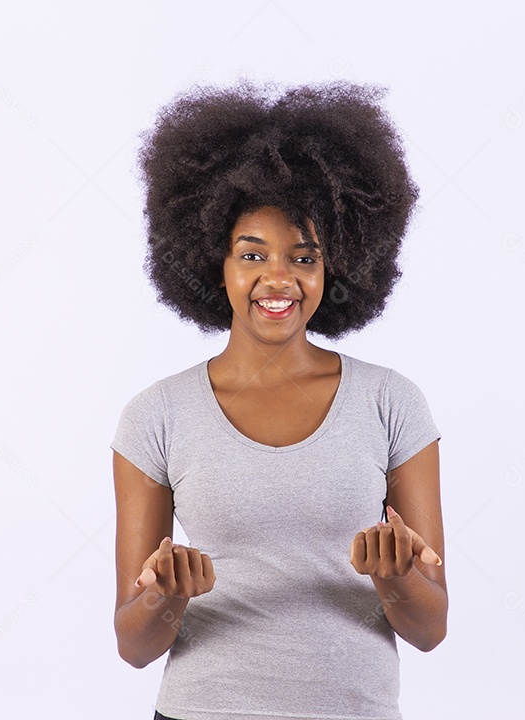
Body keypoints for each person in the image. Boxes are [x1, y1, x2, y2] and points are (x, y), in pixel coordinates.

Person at [111, 80, 446, 720]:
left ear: (336, 268)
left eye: (304, 255)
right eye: (252, 253)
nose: (278, 278)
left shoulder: (392, 403)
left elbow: (431, 628)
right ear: (216, 262)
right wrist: (166, 596)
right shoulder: (155, 417)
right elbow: (133, 643)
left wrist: (395, 575)